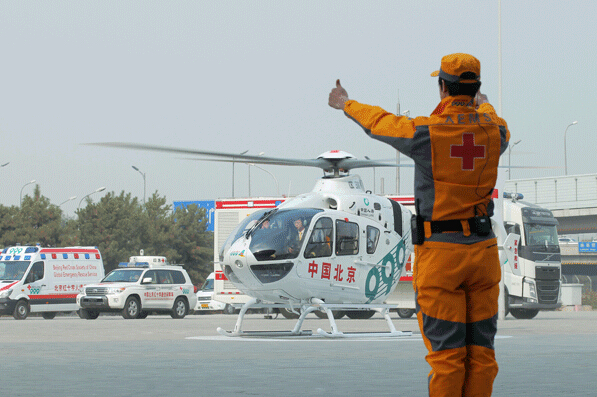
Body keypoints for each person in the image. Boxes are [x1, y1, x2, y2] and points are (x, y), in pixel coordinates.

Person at [329, 53, 510, 397]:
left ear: (442, 86)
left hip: (441, 256)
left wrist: (346, 103)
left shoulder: (427, 132)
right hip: (484, 254)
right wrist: (482, 105)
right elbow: (490, 114)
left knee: (447, 358)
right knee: (482, 355)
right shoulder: (495, 129)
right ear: (477, 88)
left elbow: (379, 122)